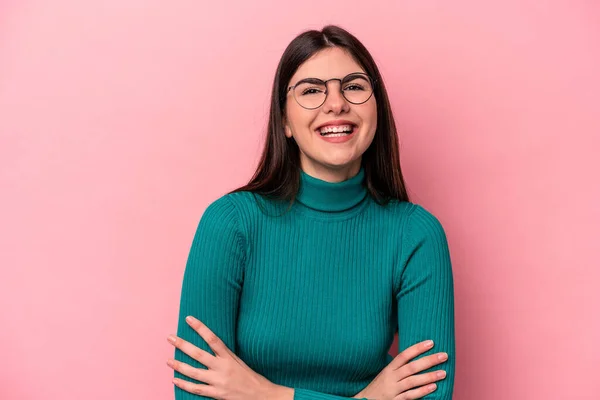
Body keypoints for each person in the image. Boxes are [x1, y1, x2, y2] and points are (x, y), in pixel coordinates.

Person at [166, 25, 455, 400]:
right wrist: (370, 398)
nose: (336, 103)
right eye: (311, 90)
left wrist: (265, 394)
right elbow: (195, 394)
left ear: (376, 108)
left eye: (353, 86)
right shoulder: (230, 224)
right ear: (284, 120)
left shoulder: (416, 235)